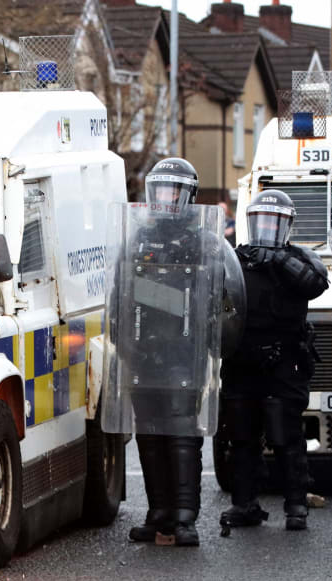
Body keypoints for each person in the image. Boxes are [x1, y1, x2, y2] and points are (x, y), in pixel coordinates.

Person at [219, 190, 328, 531]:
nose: (267, 227)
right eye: (261, 220)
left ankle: (296, 504)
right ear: (250, 223)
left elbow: (315, 284)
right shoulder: (235, 259)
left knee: (286, 435)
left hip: (284, 361)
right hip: (241, 359)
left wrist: (280, 260)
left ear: (287, 225)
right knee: (241, 435)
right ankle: (245, 504)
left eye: (274, 221)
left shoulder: (298, 259)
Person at [121, 157, 216, 546]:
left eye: (172, 191)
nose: (165, 198)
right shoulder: (138, 238)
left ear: (188, 195)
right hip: (144, 352)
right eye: (159, 190)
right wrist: (122, 336)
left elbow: (213, 298)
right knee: (149, 433)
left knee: (181, 433)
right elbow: (120, 289)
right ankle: (158, 510)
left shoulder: (202, 240)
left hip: (183, 351)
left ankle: (184, 516)